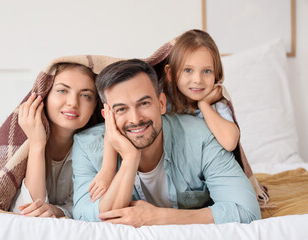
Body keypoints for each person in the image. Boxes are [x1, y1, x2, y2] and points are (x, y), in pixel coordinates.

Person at [72, 59, 261, 227]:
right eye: (121, 109)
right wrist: (130, 159)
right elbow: (85, 215)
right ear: (107, 116)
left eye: (144, 103)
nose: (135, 119)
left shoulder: (200, 136)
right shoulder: (87, 146)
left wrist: (158, 217)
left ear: (161, 103)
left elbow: (246, 211)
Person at [10, 63, 103, 218]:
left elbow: (88, 203)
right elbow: (27, 209)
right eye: (62, 90)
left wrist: (57, 210)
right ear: (45, 96)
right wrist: (37, 144)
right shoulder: (21, 140)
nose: (73, 102)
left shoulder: (97, 146)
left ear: (95, 106)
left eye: (86, 95)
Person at [163, 29, 239, 152]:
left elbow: (230, 143)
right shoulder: (164, 99)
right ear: (171, 74)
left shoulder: (216, 105)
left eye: (207, 71)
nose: (198, 80)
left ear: (216, 74)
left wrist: (204, 105)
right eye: (188, 70)